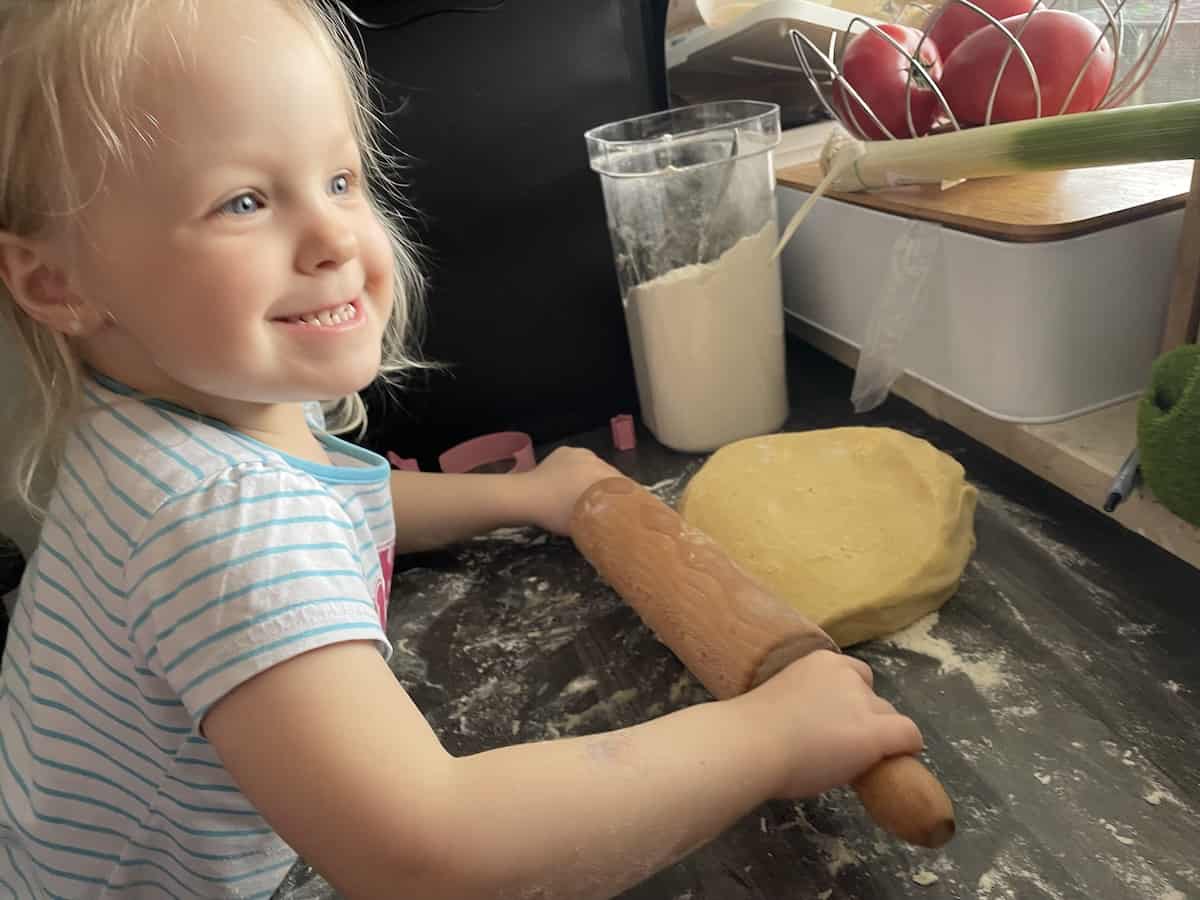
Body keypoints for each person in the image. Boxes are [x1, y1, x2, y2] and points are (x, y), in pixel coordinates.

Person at [0, 1, 924, 897]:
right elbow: (429, 851)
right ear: (55, 280)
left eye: (340, 179)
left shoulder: (158, 418)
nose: (333, 237)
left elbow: (326, 501)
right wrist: (768, 739)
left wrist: (525, 497)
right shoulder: (220, 522)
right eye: (242, 201)